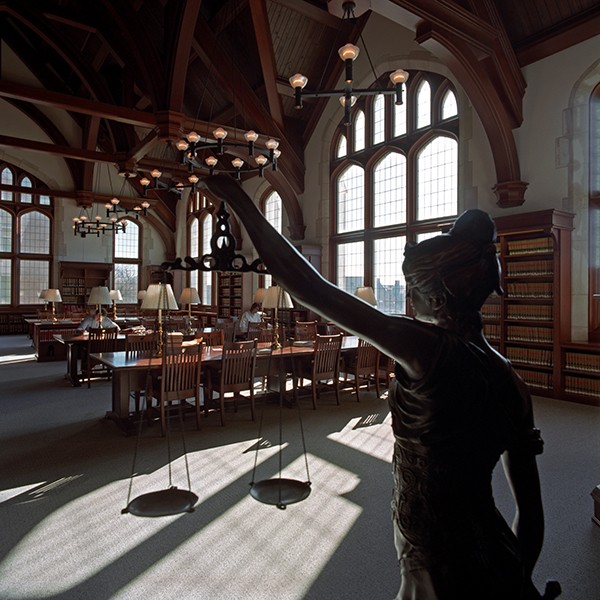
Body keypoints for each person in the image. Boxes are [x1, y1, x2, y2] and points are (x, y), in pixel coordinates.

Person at [200, 175, 552, 599]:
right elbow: (530, 511)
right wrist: (520, 578)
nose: (408, 298)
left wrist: (238, 199)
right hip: (491, 550)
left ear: (437, 298)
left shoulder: (426, 350)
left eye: (413, 290)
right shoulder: (510, 379)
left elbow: (311, 288)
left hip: (436, 551)